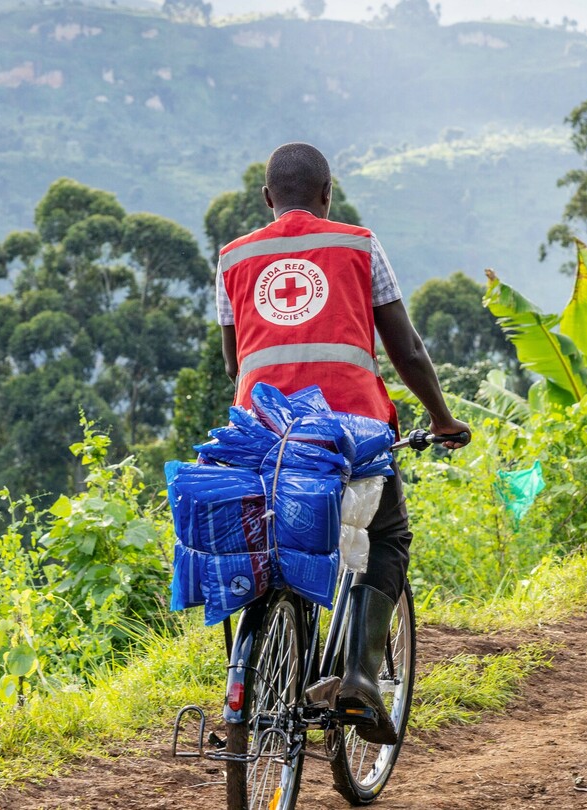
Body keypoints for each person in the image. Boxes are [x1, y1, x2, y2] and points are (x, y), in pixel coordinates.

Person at [216, 143, 471, 744]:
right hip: (350, 432)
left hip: (265, 435)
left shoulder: (233, 257)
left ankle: (250, 673)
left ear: (267, 198)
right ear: (328, 194)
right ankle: (358, 673)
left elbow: (234, 361)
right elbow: (405, 349)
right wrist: (441, 418)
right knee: (386, 534)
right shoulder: (359, 244)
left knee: (268, 540)